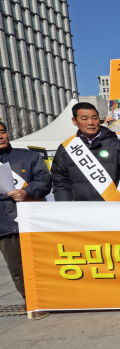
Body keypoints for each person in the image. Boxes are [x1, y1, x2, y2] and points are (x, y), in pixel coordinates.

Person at [0, 122, 51, 319]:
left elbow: (44, 182)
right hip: (4, 224)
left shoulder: (28, 157)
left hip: (32, 218)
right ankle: (31, 301)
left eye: (2, 132)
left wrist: (26, 191)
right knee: (16, 267)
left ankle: (49, 297)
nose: (1, 136)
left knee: (42, 262)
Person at [51, 102, 120, 201]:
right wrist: (65, 207)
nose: (90, 122)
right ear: (74, 121)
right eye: (84, 119)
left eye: (94, 118)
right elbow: (60, 182)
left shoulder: (117, 146)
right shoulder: (65, 149)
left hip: (113, 207)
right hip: (80, 210)